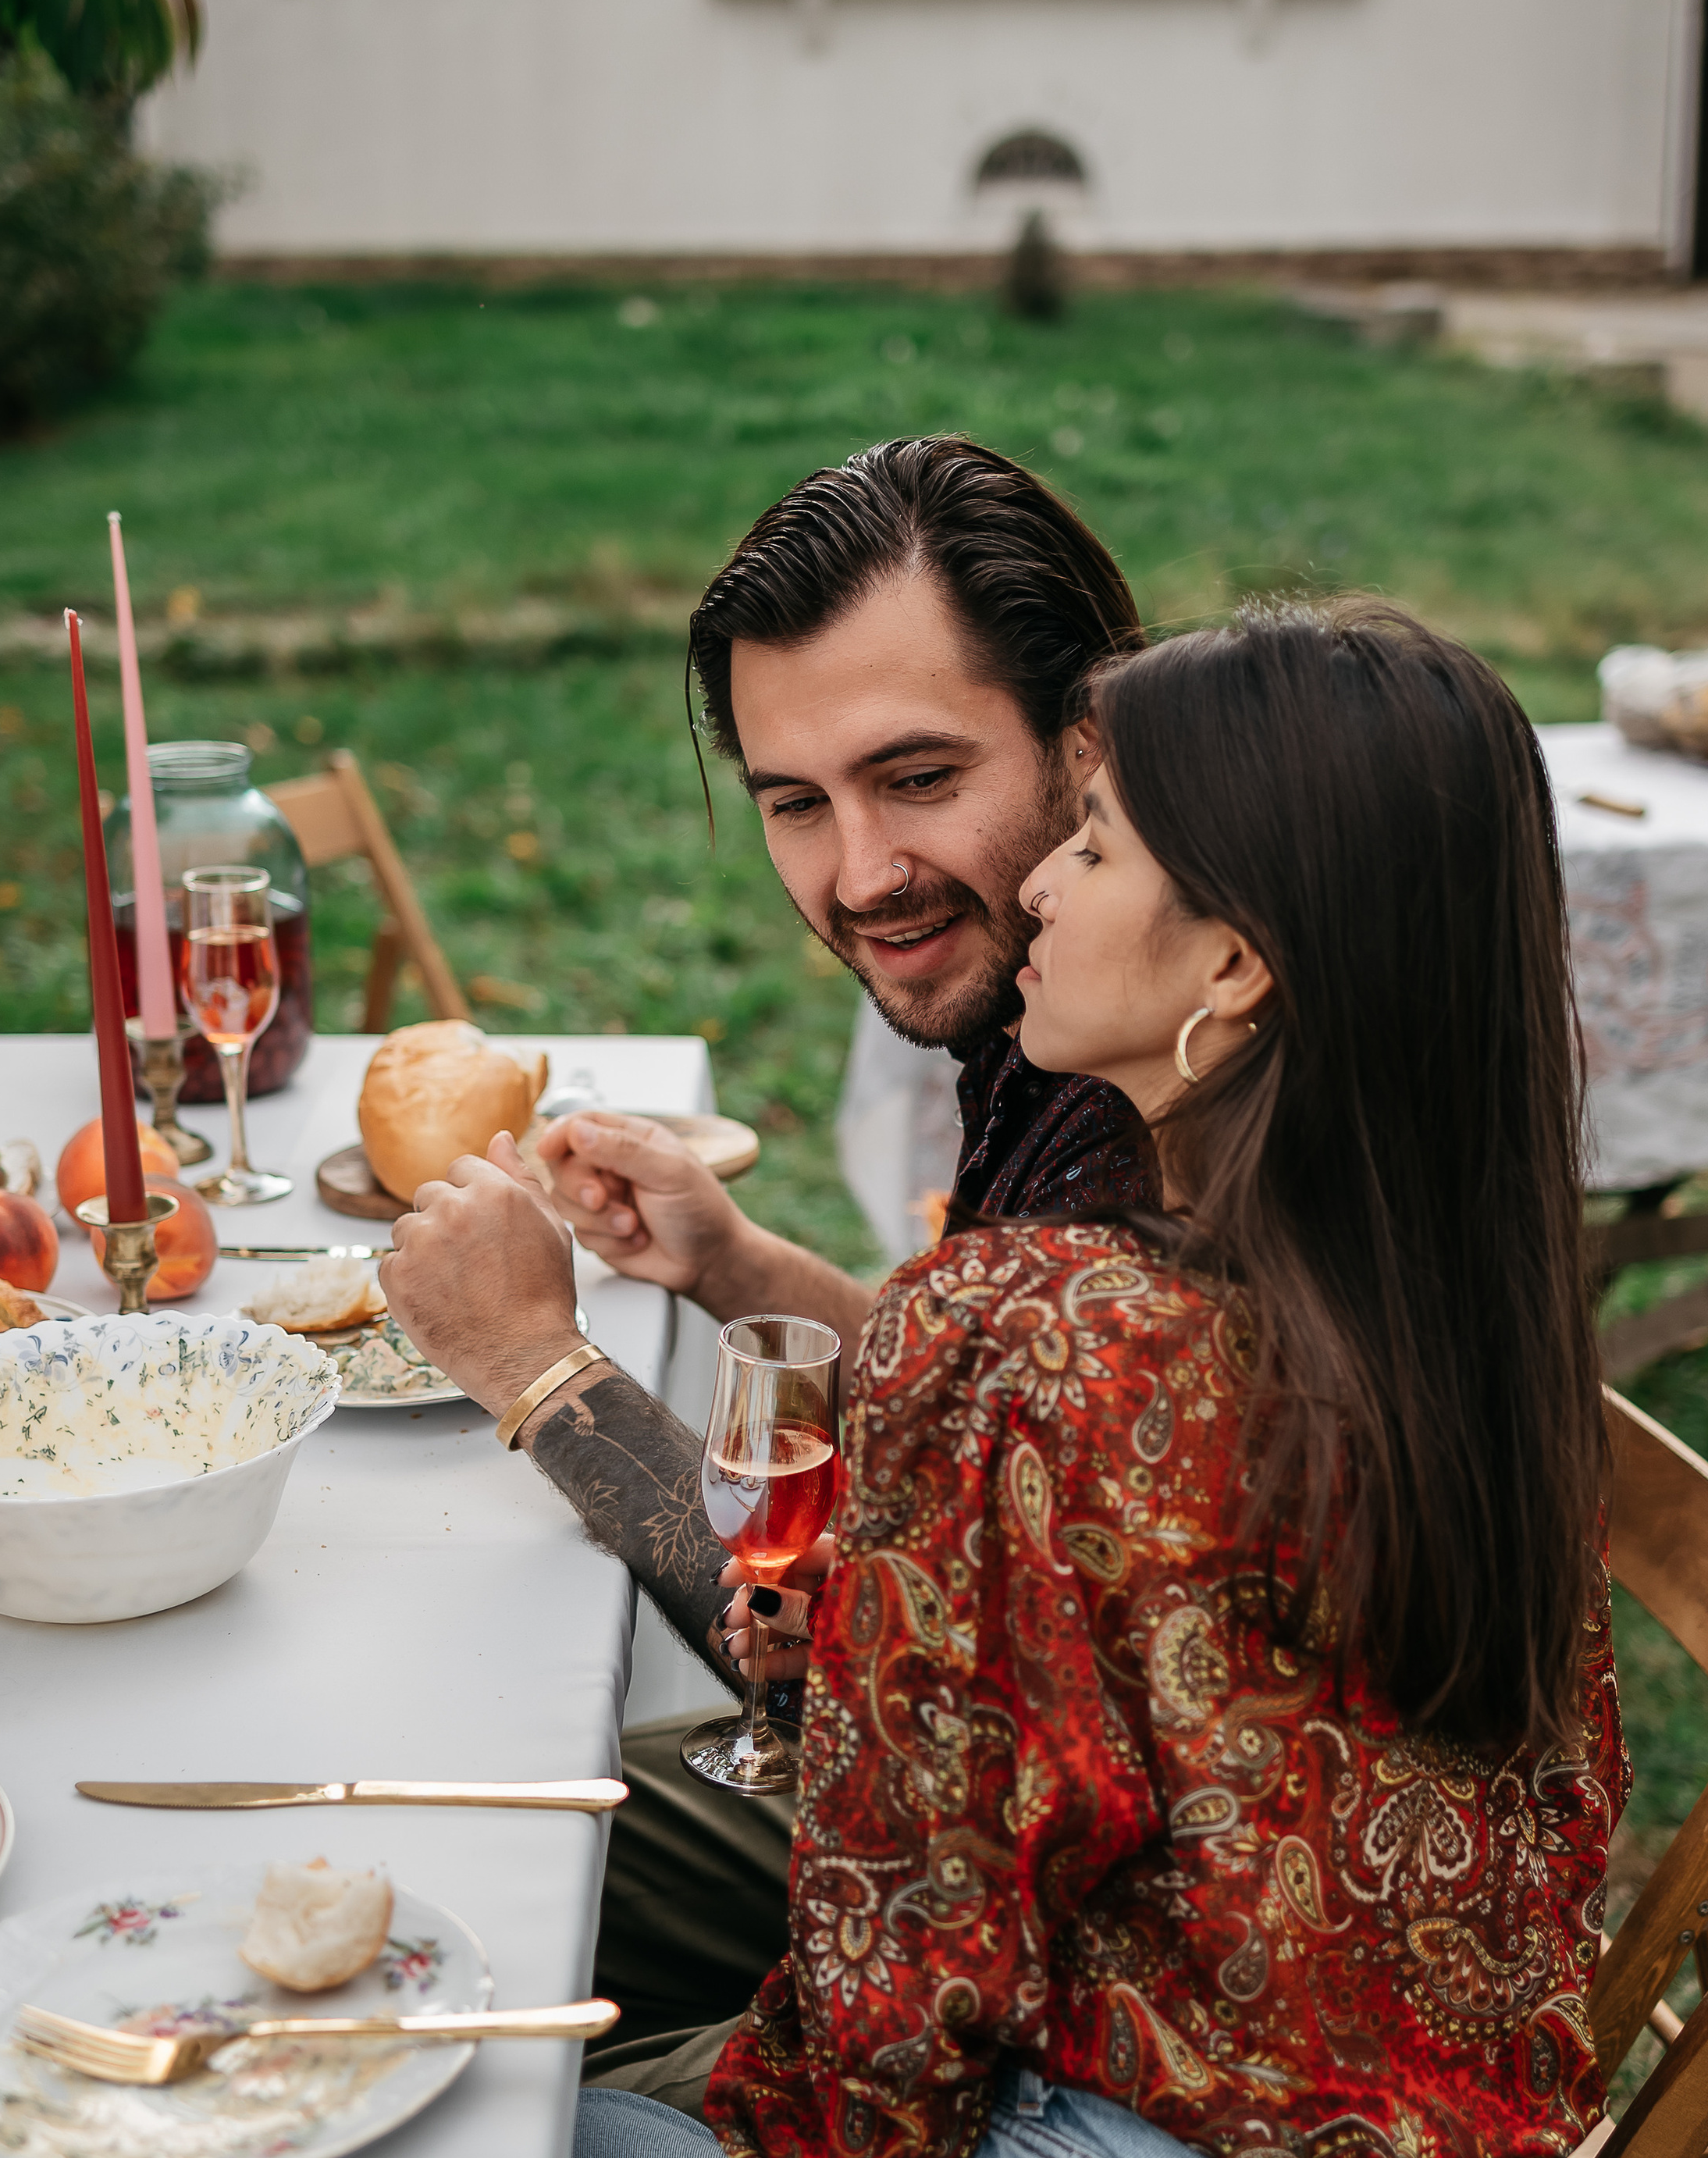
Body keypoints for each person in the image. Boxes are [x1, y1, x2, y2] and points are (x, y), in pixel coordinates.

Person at [518, 599, 1627, 2158]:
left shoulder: (1032, 1324)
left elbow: (868, 2046)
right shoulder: (1465, 1346)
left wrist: (739, 2143)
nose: (1036, 879)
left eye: (1094, 838)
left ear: (1238, 968)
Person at [383, 437, 1157, 2050]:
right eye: (795, 805)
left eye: (919, 778)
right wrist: (732, 1261)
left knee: (466, 1906)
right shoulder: (1047, 1024)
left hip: (1058, 1959)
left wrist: (541, 1373)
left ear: (1087, 744)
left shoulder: (1150, 1124)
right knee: (456, 1799)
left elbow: (865, 1695)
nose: (860, 876)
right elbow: (991, 1412)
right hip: (1003, 1825)